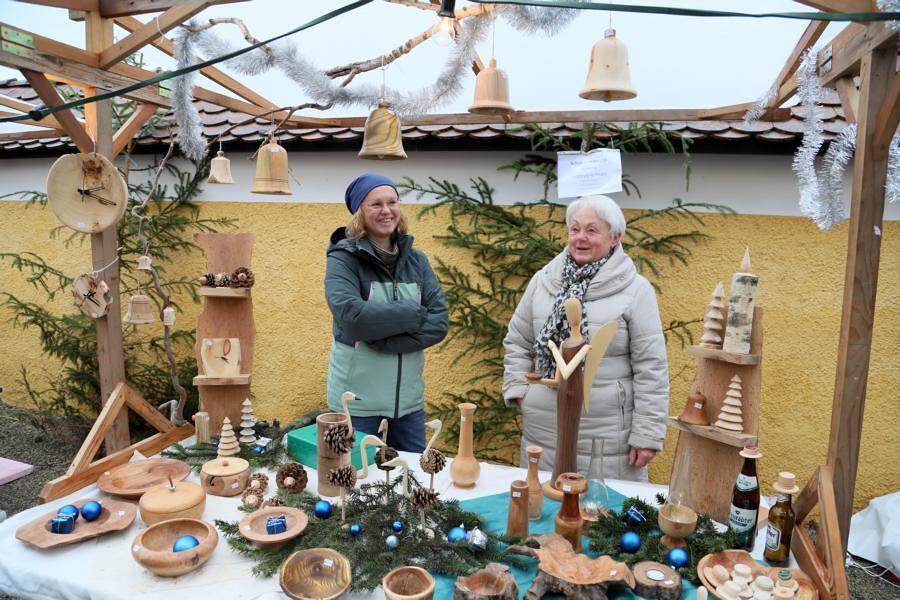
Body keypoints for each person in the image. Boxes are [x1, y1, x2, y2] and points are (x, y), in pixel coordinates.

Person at [502, 194, 669, 481]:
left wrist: (647, 435)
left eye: (592, 230)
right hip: (543, 427)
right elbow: (517, 340)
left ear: (615, 237)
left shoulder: (636, 291)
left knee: (601, 505)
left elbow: (651, 367)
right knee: (545, 501)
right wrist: (520, 391)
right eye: (575, 229)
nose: (581, 238)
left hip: (606, 434)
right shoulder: (543, 281)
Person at [325, 173, 448, 452]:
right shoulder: (343, 259)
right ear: (359, 212)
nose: (386, 211)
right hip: (357, 405)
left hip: (408, 406)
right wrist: (413, 312)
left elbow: (439, 322)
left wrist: (383, 342)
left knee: (411, 472)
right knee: (359, 476)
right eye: (375, 204)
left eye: (392, 202)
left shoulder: (417, 261)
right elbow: (352, 317)